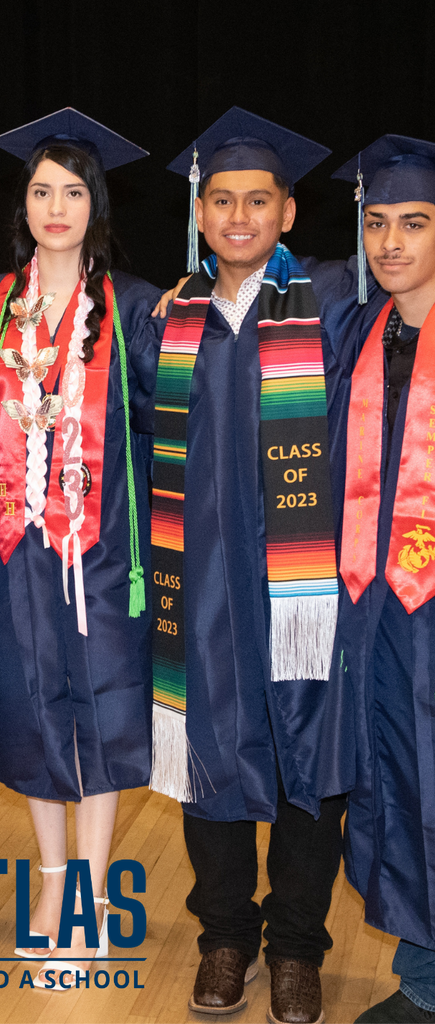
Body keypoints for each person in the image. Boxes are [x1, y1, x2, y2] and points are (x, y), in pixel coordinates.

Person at [151, 108, 384, 1024]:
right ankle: (223, 936)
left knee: (305, 763)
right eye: (221, 201)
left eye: (258, 201)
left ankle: (294, 946)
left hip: (303, 585)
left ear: (289, 212)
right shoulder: (172, 316)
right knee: (207, 755)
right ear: (201, 213)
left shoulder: (334, 299)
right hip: (201, 580)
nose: (239, 217)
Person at [0, 108, 160, 988]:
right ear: (24, 205)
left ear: (96, 206)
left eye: (73, 192)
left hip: (106, 548)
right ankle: (48, 888)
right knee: (32, 711)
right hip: (17, 552)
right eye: (41, 191)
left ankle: (91, 889)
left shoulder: (138, 309)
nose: (55, 207)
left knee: (106, 716)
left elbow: (161, 432)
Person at [329, 136, 435, 1024]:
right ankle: (424, 974)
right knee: (399, 775)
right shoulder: (365, 331)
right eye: (376, 224)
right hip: (383, 607)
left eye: (414, 221)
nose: (390, 241)